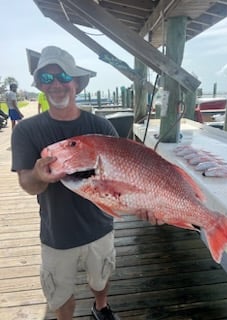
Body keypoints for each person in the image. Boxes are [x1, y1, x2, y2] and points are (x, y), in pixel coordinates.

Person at [11, 46, 120, 320]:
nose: (56, 84)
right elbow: (27, 184)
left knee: (101, 277)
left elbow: (120, 178)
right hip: (58, 233)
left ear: (77, 83)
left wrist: (145, 204)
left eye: (63, 76)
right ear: (40, 85)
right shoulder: (26, 130)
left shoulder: (102, 127)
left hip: (101, 225)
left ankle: (101, 307)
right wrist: (38, 175)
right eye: (47, 79)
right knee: (60, 293)